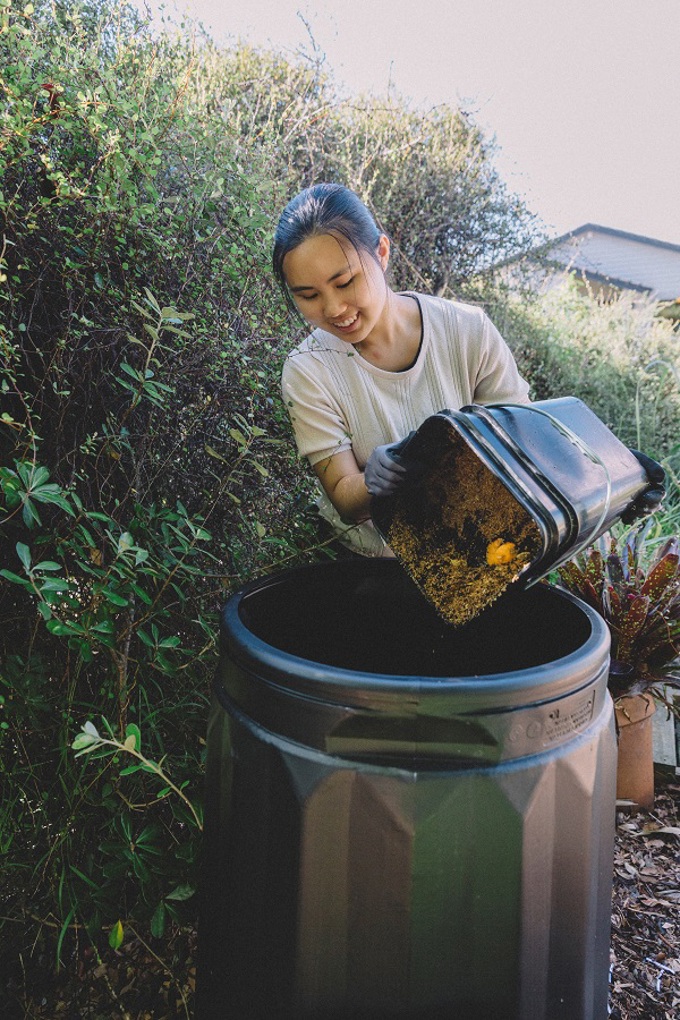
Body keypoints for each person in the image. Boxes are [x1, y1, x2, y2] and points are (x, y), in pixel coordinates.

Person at [274, 183, 664, 556]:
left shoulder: (466, 330)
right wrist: (372, 482)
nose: (333, 309)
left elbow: (522, 441)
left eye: (345, 282)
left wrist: (610, 469)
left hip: (474, 553)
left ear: (382, 253)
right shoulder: (308, 371)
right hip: (366, 564)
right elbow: (344, 497)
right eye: (308, 296)